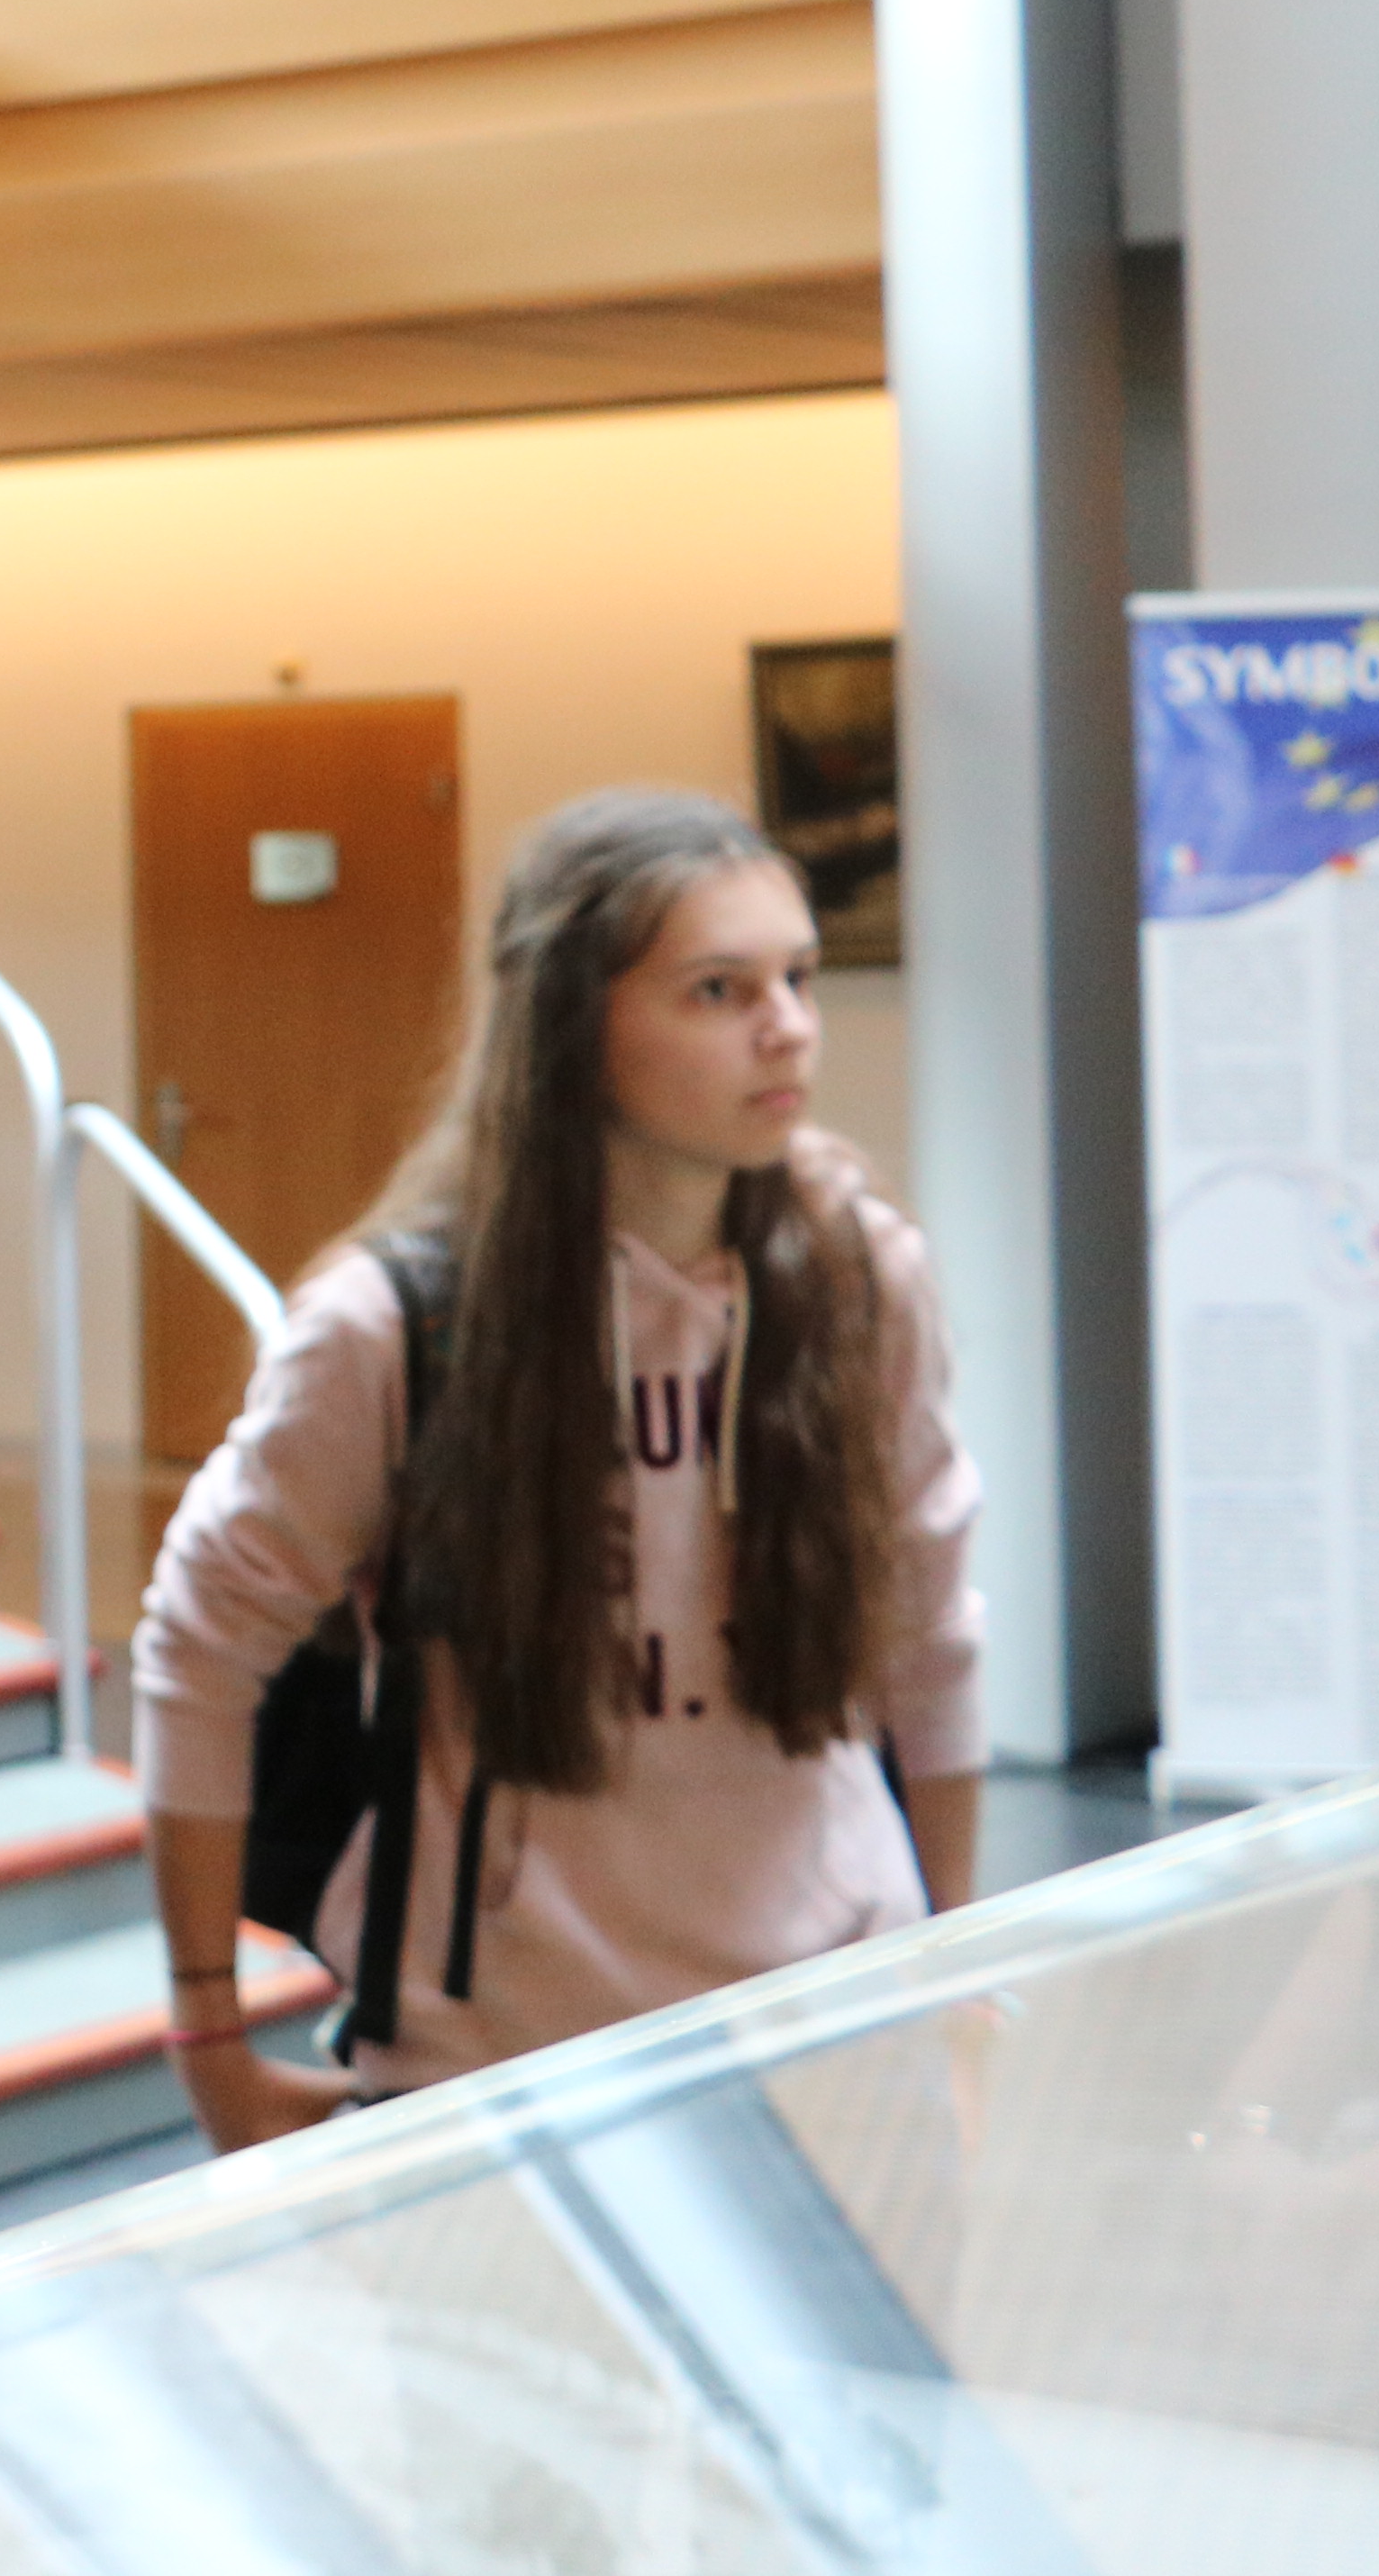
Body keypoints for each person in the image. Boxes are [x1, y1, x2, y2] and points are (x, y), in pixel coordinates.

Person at [137, 785, 986, 2144]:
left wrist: (948, 1968)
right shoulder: (394, 1324)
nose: (787, 1027)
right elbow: (199, 1647)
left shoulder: (861, 1279)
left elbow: (930, 1642)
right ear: (572, 1025)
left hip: (836, 2018)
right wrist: (206, 2030)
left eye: (799, 978)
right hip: (503, 2061)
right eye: (719, 990)